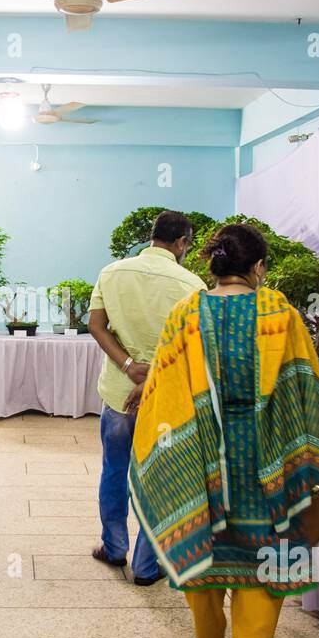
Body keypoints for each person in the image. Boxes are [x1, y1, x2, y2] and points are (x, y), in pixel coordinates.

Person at [128, 223, 319, 638]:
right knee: (264, 567)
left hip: (202, 462)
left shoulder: (188, 313)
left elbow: (165, 388)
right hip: (265, 463)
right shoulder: (280, 313)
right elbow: (307, 382)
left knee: (206, 564)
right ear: (258, 267)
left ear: (212, 266)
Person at [87, 210, 206, 586]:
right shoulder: (192, 284)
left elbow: (95, 325)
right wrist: (154, 374)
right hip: (167, 398)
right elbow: (193, 348)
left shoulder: (112, 272)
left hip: (120, 393)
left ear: (151, 236)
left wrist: (127, 366)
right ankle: (146, 566)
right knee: (159, 478)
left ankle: (114, 546)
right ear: (183, 242)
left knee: (114, 469)